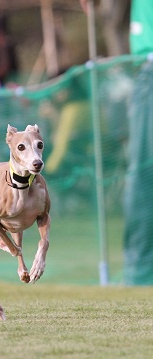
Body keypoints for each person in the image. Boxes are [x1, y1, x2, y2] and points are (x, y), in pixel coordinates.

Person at [124, 0, 153, 285]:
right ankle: (140, 272)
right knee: (144, 172)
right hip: (147, 68)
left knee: (144, 173)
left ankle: (140, 272)